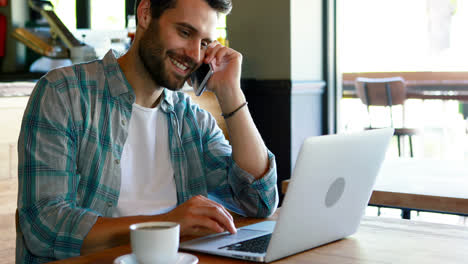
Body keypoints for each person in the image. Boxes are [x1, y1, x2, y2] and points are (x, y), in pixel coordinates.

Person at [16, 0, 278, 263]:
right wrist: (165, 224)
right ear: (145, 13)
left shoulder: (191, 119)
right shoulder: (63, 93)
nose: (195, 55)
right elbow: (44, 227)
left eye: (205, 43)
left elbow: (260, 201)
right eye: (185, 32)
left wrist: (231, 94)